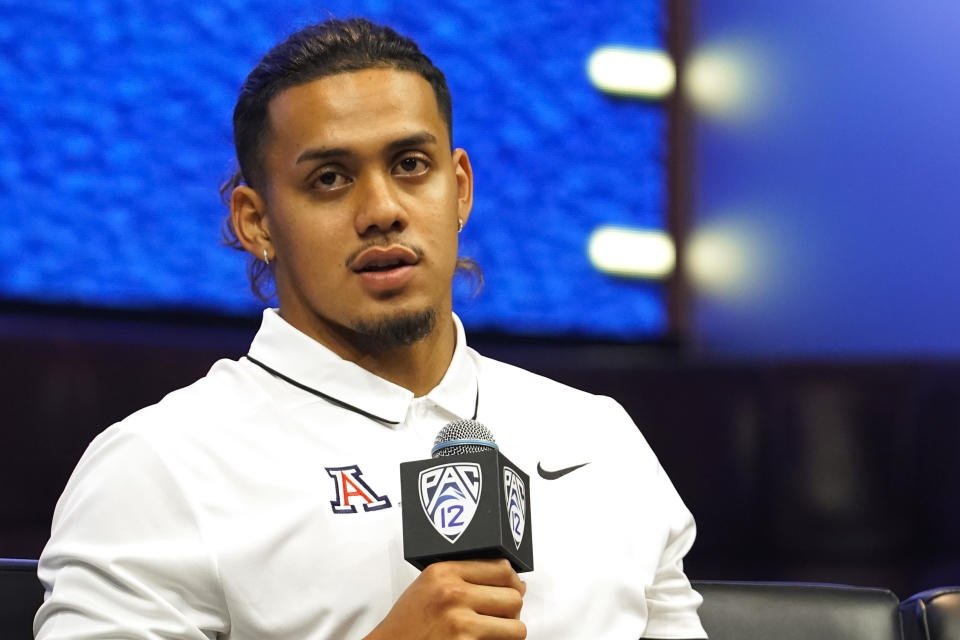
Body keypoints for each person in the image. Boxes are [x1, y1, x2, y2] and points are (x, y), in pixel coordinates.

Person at [34, 17, 706, 640]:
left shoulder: (601, 439)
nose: (382, 209)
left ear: (460, 187)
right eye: (330, 178)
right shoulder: (160, 467)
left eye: (411, 165)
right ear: (255, 221)